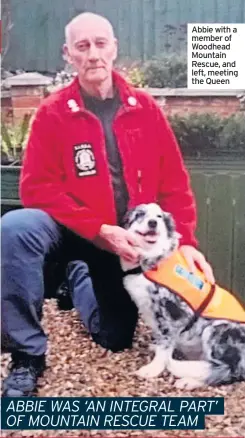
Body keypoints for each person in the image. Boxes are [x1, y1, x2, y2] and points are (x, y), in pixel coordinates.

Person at [1, 12, 214, 397]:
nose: (93, 54)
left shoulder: (145, 109)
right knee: (14, 229)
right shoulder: (52, 113)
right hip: (71, 231)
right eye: (82, 46)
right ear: (69, 54)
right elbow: (36, 188)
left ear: (114, 48)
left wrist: (186, 244)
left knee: (114, 338)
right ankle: (26, 355)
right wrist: (99, 230)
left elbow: (174, 186)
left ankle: (76, 278)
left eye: (101, 44)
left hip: (127, 245)